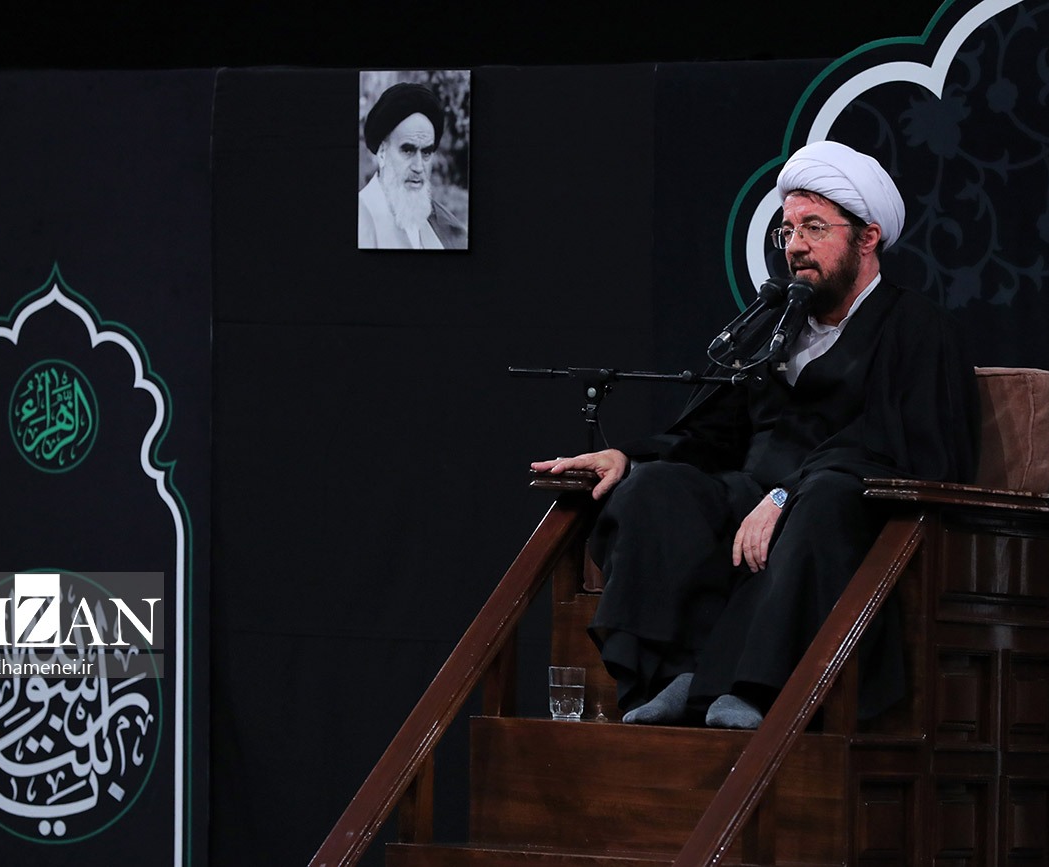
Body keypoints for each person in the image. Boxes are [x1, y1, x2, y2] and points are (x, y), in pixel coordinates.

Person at [531, 140, 980, 728]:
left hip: (844, 499)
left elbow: (908, 444)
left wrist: (784, 495)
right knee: (654, 491)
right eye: (787, 230)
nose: (795, 245)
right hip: (754, 492)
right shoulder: (771, 327)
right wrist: (629, 457)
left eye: (814, 227)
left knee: (822, 502)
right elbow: (712, 432)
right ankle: (677, 677)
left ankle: (756, 689)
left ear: (867, 238)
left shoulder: (917, 327)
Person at [358, 81, 467, 250]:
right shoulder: (361, 217)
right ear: (382, 153)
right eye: (408, 150)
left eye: (426, 152)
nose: (418, 167)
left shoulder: (445, 226)